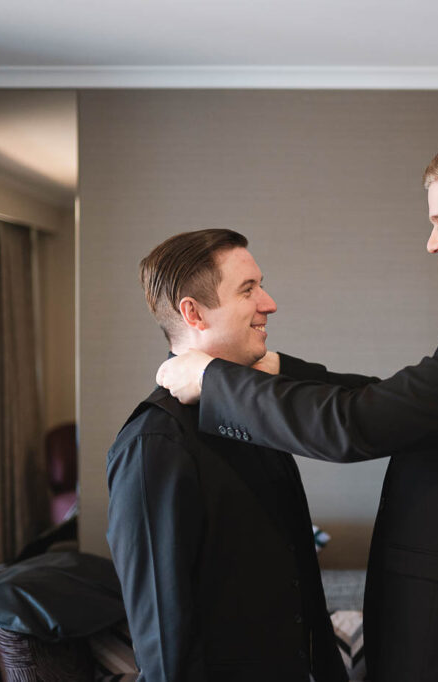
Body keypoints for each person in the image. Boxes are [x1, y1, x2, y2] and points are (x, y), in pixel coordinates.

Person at [156, 138, 438, 681]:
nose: (432, 242)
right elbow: (401, 402)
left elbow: (357, 425)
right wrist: (275, 369)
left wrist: (212, 380)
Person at [106, 229, 348, 682]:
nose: (269, 303)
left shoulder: (253, 411)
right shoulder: (153, 444)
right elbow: (163, 632)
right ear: (193, 313)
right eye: (248, 290)